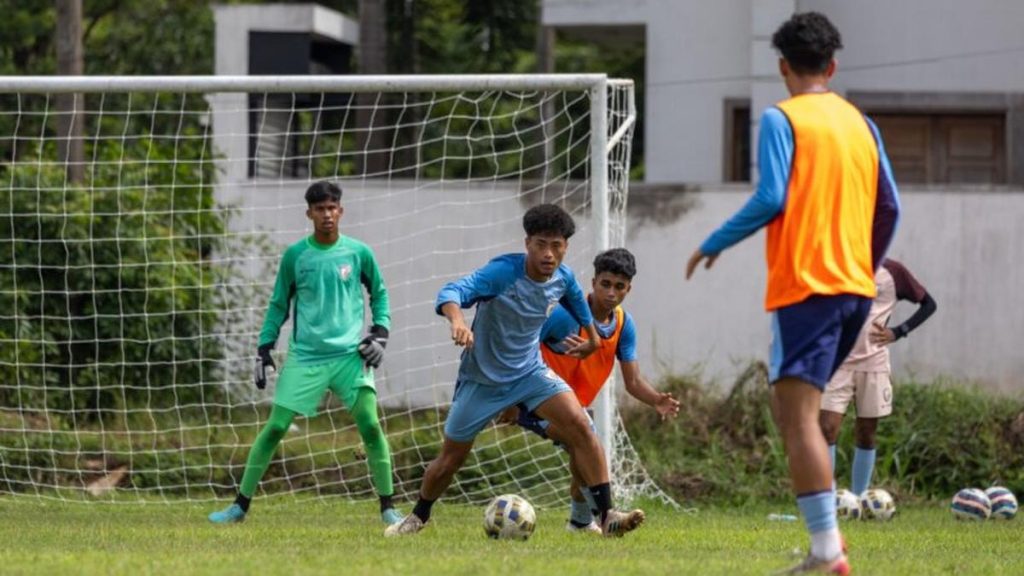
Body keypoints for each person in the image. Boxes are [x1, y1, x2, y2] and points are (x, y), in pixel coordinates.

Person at [685, 12, 900, 575]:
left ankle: (828, 553)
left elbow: (770, 197)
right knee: (801, 414)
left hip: (807, 287)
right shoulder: (862, 124)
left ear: (783, 67)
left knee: (798, 416)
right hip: (855, 289)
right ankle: (825, 546)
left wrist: (713, 241)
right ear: (832, 65)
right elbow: (890, 207)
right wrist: (863, 266)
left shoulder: (783, 118)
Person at [385, 204, 645, 537]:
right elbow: (452, 292)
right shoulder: (502, 273)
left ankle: (607, 515)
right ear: (527, 243)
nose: (548, 254)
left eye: (557, 245)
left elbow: (577, 301)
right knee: (450, 460)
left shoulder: (562, 277)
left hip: (530, 374)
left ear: (566, 246)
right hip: (483, 381)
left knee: (582, 425)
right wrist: (458, 321)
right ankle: (418, 516)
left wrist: (593, 339)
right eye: (541, 244)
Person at [208, 181, 402, 525]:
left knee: (371, 425)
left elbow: (381, 295)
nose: (326, 215)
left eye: (332, 208)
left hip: (349, 357)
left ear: (340, 211)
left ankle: (388, 509)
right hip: (305, 357)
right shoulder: (296, 256)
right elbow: (278, 304)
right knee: (275, 427)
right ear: (309, 213)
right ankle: (238, 507)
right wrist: (264, 348)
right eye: (319, 209)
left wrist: (381, 332)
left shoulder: (359, 253)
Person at [499, 247, 680, 534]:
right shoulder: (564, 313)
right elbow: (523, 346)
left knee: (581, 445)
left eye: (619, 287)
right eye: (605, 284)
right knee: (585, 438)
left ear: (628, 290)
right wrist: (510, 399)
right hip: (534, 400)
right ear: (593, 282)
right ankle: (604, 516)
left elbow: (632, 381)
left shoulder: (623, 324)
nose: (611, 292)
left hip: (573, 405)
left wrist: (655, 399)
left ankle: (580, 522)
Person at [820, 259, 936, 496]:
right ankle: (824, 500)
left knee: (866, 431)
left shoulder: (893, 271)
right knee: (826, 428)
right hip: (837, 362)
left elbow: (928, 304)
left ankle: (861, 497)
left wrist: (898, 331)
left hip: (873, 363)